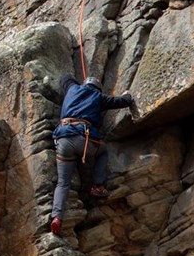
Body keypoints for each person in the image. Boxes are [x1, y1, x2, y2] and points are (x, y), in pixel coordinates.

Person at [50, 73, 136, 235]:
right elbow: (123, 102)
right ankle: (97, 186)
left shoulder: (72, 88)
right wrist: (127, 95)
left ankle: (57, 217)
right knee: (103, 151)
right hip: (84, 140)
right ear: (98, 88)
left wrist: (75, 84)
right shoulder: (98, 96)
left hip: (63, 140)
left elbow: (64, 78)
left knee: (63, 183)